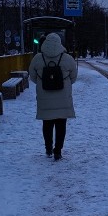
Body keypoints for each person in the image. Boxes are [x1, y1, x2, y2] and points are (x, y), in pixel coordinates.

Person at [28, 33, 78, 161]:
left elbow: (32, 76)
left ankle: (48, 148)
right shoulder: (67, 58)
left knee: (47, 124)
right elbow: (73, 77)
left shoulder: (37, 58)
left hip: (45, 98)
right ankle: (58, 151)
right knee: (61, 125)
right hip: (63, 98)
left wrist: (42, 83)